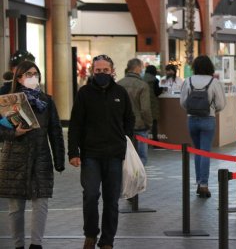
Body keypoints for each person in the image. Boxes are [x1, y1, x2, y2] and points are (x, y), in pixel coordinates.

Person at [68, 54, 135, 249]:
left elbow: (129, 119)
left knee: (111, 200)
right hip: (91, 155)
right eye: (98, 71)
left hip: (115, 155)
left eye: (106, 70)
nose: (102, 74)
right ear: (92, 71)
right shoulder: (84, 93)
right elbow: (75, 125)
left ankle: (107, 241)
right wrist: (73, 152)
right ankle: (90, 234)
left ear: (112, 71)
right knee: (90, 195)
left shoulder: (121, 93)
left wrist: (126, 139)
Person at [0, 61, 65, 249]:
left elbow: (55, 131)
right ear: (19, 77)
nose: (32, 77)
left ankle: (36, 244)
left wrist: (59, 160)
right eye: (28, 74)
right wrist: (14, 133)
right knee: (16, 207)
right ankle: (18, 244)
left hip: (41, 157)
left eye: (35, 73)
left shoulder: (46, 101)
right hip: (14, 157)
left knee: (41, 203)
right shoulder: (7, 100)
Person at [180, 55, 226, 198]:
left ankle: (199, 181)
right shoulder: (214, 82)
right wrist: (212, 110)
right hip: (208, 119)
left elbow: (182, 102)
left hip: (192, 119)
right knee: (205, 151)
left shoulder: (188, 81)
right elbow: (221, 104)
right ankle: (204, 185)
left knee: (197, 151)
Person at [118, 58, 152, 165]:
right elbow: (145, 109)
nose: (142, 70)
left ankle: (125, 180)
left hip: (122, 126)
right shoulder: (142, 85)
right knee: (141, 157)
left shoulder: (118, 84)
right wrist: (148, 123)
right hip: (140, 125)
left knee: (125, 156)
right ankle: (138, 180)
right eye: (141, 67)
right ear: (137, 68)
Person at [143, 65, 163, 145]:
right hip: (153, 103)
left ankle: (145, 142)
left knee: (145, 124)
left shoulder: (142, 79)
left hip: (144, 103)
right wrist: (162, 88)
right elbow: (157, 92)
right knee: (154, 123)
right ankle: (155, 142)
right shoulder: (155, 80)